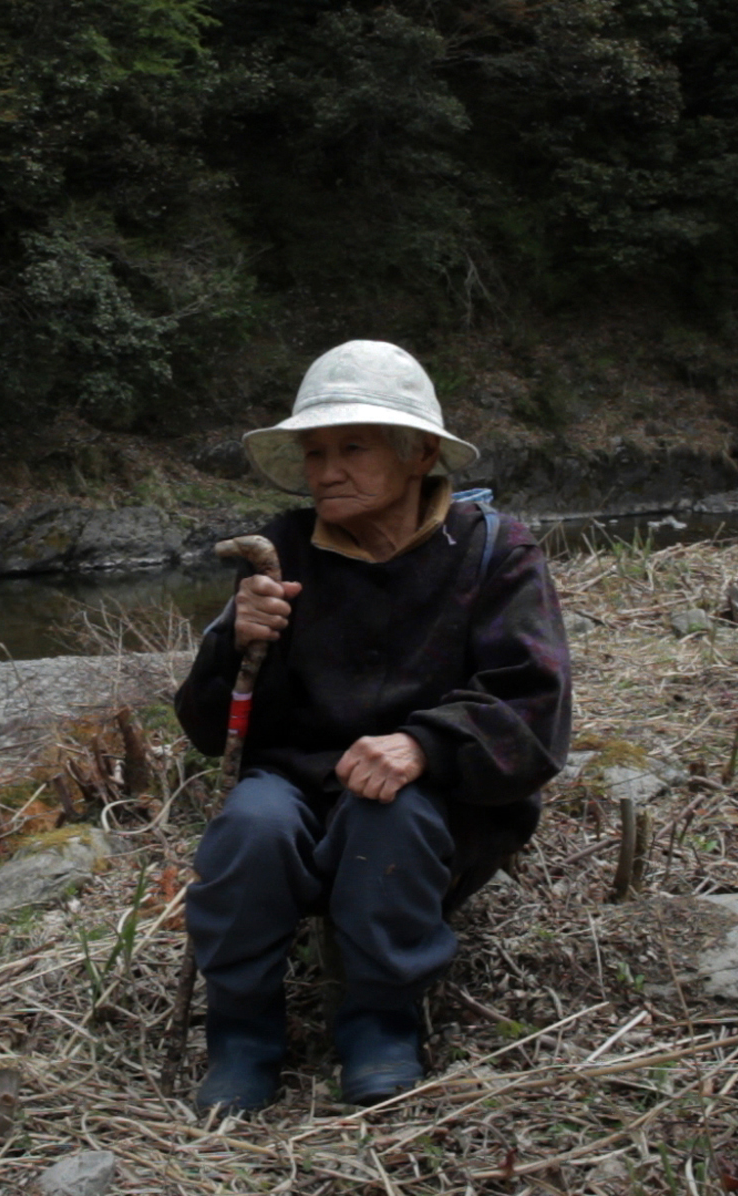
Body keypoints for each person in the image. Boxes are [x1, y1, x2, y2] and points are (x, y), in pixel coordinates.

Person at [175, 339, 573, 1112]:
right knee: (250, 827)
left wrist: (426, 744)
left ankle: (381, 1023)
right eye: (315, 452)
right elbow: (210, 727)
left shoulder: (494, 551)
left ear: (418, 453)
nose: (326, 471)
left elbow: (533, 705)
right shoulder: (282, 553)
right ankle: (242, 1035)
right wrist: (236, 642)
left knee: (389, 820)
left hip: (437, 801)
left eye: (352, 448)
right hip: (297, 785)